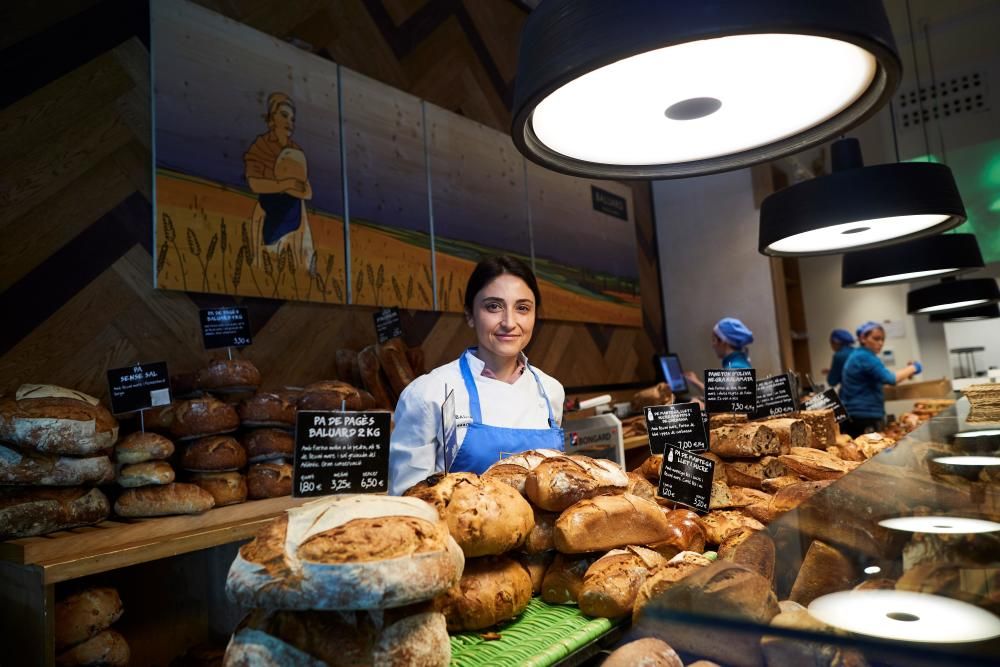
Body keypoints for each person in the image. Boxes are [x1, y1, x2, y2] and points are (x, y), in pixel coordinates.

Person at [388, 256, 565, 495]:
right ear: (469, 315)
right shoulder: (427, 393)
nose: (509, 323)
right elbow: (409, 500)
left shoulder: (551, 390)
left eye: (522, 308)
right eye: (493, 306)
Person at [244, 92, 315, 269]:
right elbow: (254, 183)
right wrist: (285, 184)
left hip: (293, 211)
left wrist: (297, 188)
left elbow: (307, 190)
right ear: (271, 117)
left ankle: (306, 262)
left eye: (292, 118)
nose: (289, 122)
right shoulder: (261, 146)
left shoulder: (296, 151)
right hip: (269, 206)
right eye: (284, 115)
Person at [839, 321, 922, 437]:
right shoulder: (864, 356)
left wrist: (906, 372)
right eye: (876, 339)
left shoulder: (859, 355)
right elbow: (890, 378)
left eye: (882, 339)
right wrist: (914, 367)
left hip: (858, 416)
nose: (881, 343)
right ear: (863, 338)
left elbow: (883, 380)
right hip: (863, 417)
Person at [685, 317, 754, 392]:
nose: (712, 345)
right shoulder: (739, 361)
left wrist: (701, 403)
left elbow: (726, 401)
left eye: (714, 340)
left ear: (724, 342)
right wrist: (696, 382)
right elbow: (722, 395)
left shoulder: (734, 367)